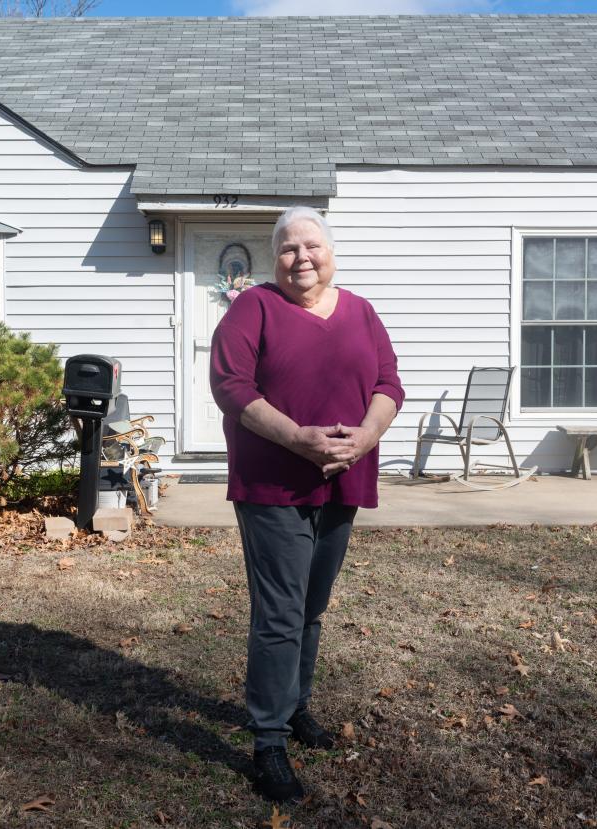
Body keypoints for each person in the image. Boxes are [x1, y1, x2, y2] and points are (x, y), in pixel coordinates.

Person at [209, 206, 404, 802]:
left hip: (342, 480)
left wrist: (366, 438)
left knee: (312, 606)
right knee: (280, 613)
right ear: (276, 258)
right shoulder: (254, 308)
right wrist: (298, 438)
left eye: (311, 246)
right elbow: (231, 386)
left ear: (331, 251)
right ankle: (267, 741)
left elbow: (389, 384)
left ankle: (294, 709)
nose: (302, 258)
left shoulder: (361, 312)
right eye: (289, 249)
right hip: (273, 484)